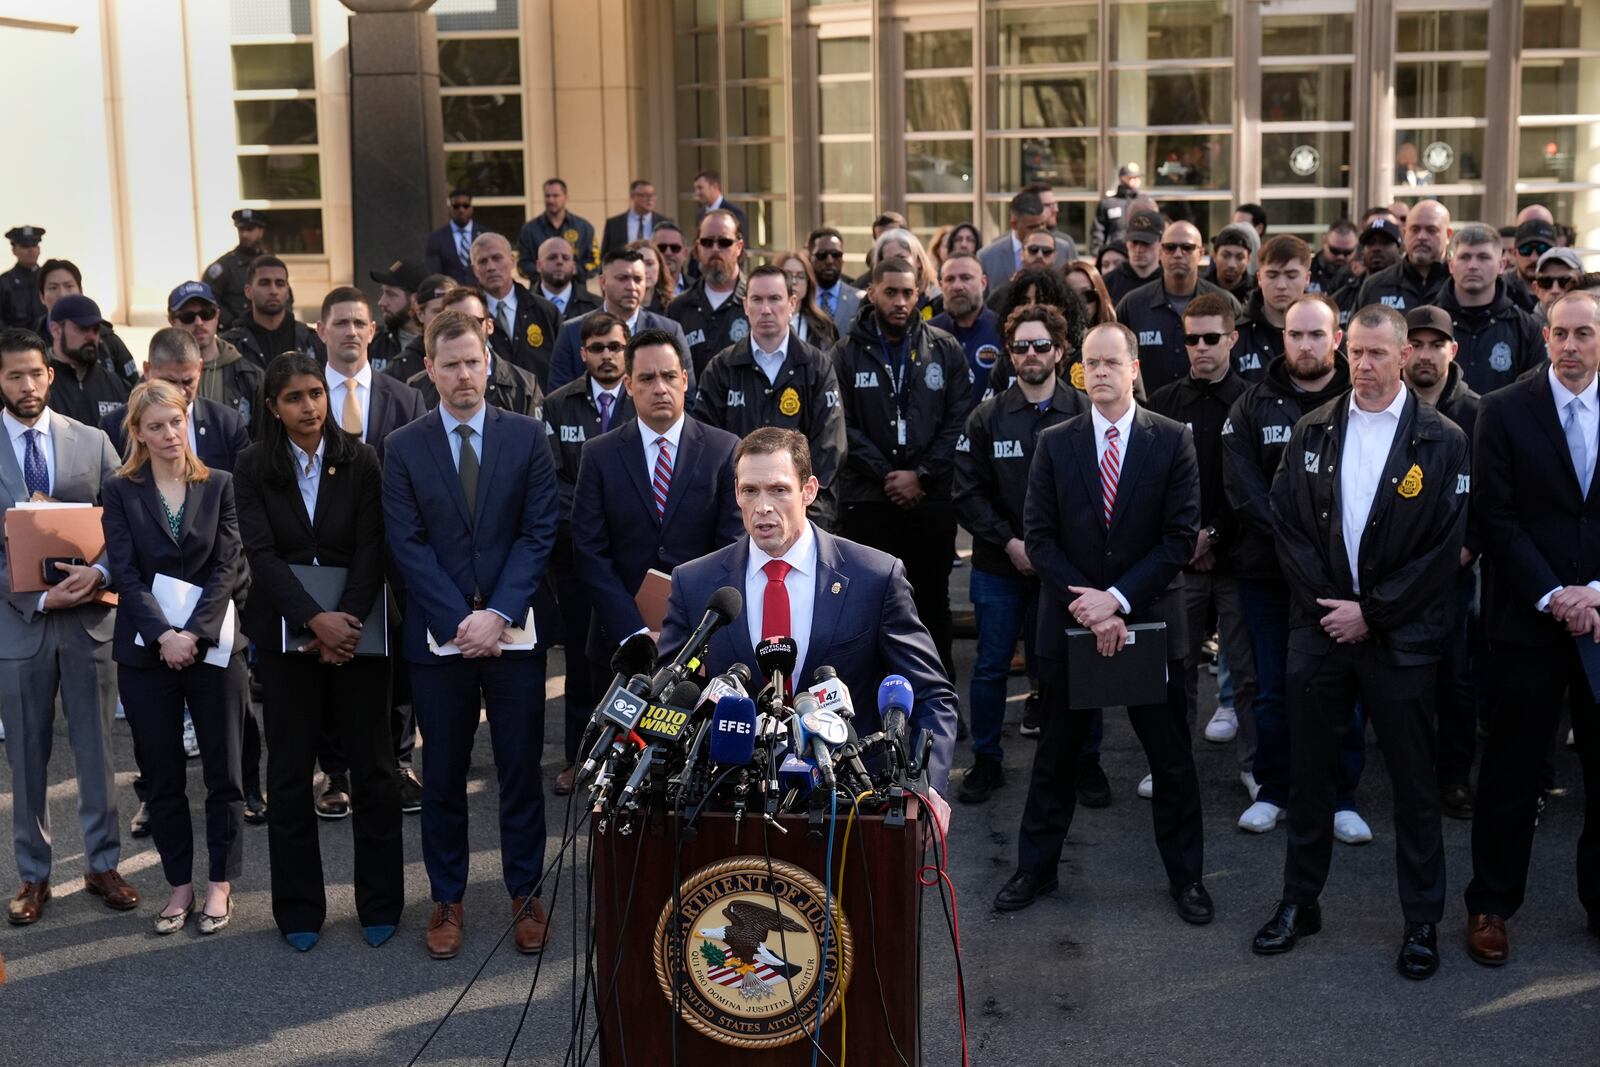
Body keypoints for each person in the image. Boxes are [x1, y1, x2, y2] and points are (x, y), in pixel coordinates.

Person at [1255, 303, 1469, 980]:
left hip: (1400, 640)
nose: (1365, 365)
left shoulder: (1443, 439)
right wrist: (1334, 609)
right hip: (1320, 633)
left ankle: (1422, 919)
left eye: (1379, 353)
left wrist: (1370, 614)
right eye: (1357, 353)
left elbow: (1442, 552)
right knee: (1309, 775)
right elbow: (1286, 526)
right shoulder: (1313, 428)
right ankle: (1300, 900)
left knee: (1412, 784)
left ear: (1406, 355)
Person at [996, 322, 1211, 923]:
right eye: (1090, 364)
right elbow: (1039, 539)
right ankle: (1035, 870)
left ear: (1135, 367)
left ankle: (1188, 879)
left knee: (1170, 760)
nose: (1100, 373)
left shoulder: (1172, 441)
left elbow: (1177, 541)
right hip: (1070, 623)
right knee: (1055, 758)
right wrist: (1090, 606)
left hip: (1148, 623)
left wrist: (1115, 600)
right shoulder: (1056, 442)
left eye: (1112, 362)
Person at [382, 308, 561, 960]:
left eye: (474, 361)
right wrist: (460, 620)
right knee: (444, 773)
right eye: (451, 363)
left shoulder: (527, 436)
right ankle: (447, 895)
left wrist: (499, 614)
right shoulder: (404, 446)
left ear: (489, 361)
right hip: (441, 641)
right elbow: (407, 543)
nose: (465, 375)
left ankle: (525, 889)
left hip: (512, 634)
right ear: (429, 368)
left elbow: (538, 531)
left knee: (520, 770)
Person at [658, 427, 959, 793]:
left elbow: (933, 696)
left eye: (779, 489)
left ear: (809, 491)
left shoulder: (875, 577)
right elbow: (669, 699)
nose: (763, 506)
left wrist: (926, 790)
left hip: (851, 801)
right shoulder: (695, 584)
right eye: (750, 490)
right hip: (728, 801)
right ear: (736, 493)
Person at [235, 352, 403, 951]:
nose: (309, 407)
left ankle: (381, 901)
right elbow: (261, 555)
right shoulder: (253, 465)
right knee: (287, 774)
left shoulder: (360, 458)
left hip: (361, 633)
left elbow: (371, 545)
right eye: (294, 398)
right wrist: (313, 620)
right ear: (273, 408)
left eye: (315, 394)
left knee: (375, 769)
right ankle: (299, 908)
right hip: (287, 635)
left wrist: (345, 624)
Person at [1464, 290, 1600, 967]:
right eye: (1560, 334)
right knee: (1513, 771)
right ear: (1544, 338)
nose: (1571, 345)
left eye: (1585, 333)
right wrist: (1555, 594)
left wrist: (1594, 594)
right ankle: (1490, 903)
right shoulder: (1505, 409)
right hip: (1527, 617)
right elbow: (1495, 515)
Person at [102, 379, 250, 936]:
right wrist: (165, 636)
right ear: (137, 432)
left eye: (177, 421)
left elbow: (229, 564)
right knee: (162, 775)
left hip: (213, 651)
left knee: (225, 773)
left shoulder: (220, 484)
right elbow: (125, 570)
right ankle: (179, 886)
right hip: (147, 654)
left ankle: (220, 885)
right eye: (156, 425)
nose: (170, 433)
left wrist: (195, 633)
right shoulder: (119, 491)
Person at [0, 328, 137, 927]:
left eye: (34, 373)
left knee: (96, 750)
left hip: (88, 621)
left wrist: (100, 572)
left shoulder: (92, 441)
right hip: (19, 624)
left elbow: (124, 521)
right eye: (13, 376)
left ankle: (103, 863)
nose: (27, 386)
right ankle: (33, 876)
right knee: (26, 757)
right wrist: (30, 596)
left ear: (49, 374)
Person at [1223, 294, 1372, 840]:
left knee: (1341, 688)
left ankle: (1342, 796)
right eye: (1295, 334)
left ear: (1337, 339)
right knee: (1269, 687)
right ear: (1281, 338)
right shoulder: (1251, 403)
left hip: (1340, 580)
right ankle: (1273, 789)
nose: (1305, 344)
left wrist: (1324, 552)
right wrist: (1299, 541)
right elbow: (1244, 490)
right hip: (1267, 575)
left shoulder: (1360, 401)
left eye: (1316, 334)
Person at [952, 305, 1087, 804]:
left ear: (1060, 350)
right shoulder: (985, 417)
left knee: (1073, 666)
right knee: (989, 666)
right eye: (1021, 346)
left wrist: (1052, 552)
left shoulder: (1084, 412)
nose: (1031, 355)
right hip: (999, 566)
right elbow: (967, 494)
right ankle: (987, 760)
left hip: (1068, 571)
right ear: (1008, 354)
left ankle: (1083, 762)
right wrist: (1011, 543)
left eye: (1041, 345)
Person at [833, 258, 972, 686]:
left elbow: (960, 418)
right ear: (871, 292)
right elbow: (842, 425)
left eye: (907, 293)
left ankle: (939, 697)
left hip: (929, 500)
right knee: (871, 604)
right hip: (869, 501)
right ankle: (874, 704)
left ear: (919, 294)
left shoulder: (944, 347)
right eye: (890, 292)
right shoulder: (844, 352)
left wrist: (922, 474)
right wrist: (887, 475)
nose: (899, 301)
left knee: (932, 603)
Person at [571, 327, 742, 664]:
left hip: (703, 640)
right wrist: (633, 630)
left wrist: (691, 628)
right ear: (628, 385)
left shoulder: (724, 450)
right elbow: (588, 550)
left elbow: (732, 549)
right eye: (647, 378)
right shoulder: (598, 454)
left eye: (667, 376)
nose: (660, 388)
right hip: (619, 642)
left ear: (684, 379)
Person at [1149, 292, 1258, 791]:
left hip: (1238, 559)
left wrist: (1213, 534)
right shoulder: (1164, 403)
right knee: (1175, 671)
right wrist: (1185, 538)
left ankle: (1257, 769)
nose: (1201, 348)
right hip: (1179, 561)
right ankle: (1171, 766)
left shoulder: (1255, 401)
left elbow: (1256, 486)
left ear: (1233, 338)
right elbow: (1150, 483)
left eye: (1212, 337)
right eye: (1191, 338)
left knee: (1248, 671)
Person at [540, 311, 635, 795]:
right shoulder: (558, 405)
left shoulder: (642, 399)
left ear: (627, 349)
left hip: (633, 556)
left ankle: (634, 754)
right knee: (580, 660)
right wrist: (591, 523)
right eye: (597, 348)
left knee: (635, 656)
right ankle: (580, 756)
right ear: (583, 353)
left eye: (615, 347)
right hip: (577, 554)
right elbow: (551, 479)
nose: (606, 356)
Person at [1401, 306, 1481, 821]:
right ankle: (1411, 775)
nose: (1426, 354)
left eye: (1437, 344)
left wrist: (1467, 548)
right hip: (1398, 574)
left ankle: (1453, 777)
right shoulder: (1388, 404)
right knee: (1404, 681)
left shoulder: (1477, 411)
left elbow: (1492, 491)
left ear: (1452, 350)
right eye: (1418, 344)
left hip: (1455, 571)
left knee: (1456, 679)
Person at [692, 265, 846, 528]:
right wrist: (738, 506)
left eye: (774, 299)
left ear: (792, 303)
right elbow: (707, 447)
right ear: (745, 305)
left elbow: (829, 449)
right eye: (757, 299)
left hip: (802, 516)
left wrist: (803, 511)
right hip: (737, 518)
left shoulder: (817, 366)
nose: (766, 309)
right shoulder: (721, 368)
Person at [1115, 220, 1241, 393]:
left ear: (1201, 253)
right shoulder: (1133, 304)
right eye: (1170, 247)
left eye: (1187, 248)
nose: (1178, 254)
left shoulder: (1226, 303)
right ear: (1160, 252)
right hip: (1149, 412)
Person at [546, 248, 690, 391]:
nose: (631, 287)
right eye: (623, 278)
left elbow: (685, 393)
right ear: (603, 282)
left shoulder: (670, 330)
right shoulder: (572, 331)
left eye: (638, 279)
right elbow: (559, 396)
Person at [1435, 223, 1544, 394]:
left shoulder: (1525, 328)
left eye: (1483, 257)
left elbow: (1534, 393)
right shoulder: (1429, 321)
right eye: (1464, 257)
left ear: (1502, 265)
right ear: (1451, 265)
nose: (1472, 265)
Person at [407, 288, 545, 419]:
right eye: (453, 323)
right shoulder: (417, 388)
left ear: (489, 325)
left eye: (473, 321)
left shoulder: (524, 385)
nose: (464, 329)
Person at [165, 281, 265, 430]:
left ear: (217, 315)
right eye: (188, 316)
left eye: (207, 314)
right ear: (172, 321)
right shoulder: (158, 376)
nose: (199, 322)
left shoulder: (250, 376)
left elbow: (262, 439)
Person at [470, 233, 561, 389]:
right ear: (474, 269)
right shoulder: (470, 317)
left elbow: (563, 364)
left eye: (497, 258)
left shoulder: (545, 310)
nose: (491, 267)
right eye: (482, 261)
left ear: (512, 261)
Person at [29, 259, 140, 387]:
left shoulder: (108, 340)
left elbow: (134, 389)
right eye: (53, 288)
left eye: (69, 286)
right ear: (42, 296)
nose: (62, 294)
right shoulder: (30, 343)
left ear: (81, 291)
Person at [670, 210, 750, 378]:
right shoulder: (678, 307)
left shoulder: (756, 302)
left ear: (739, 247)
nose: (715, 249)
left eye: (724, 242)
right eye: (707, 242)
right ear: (697, 248)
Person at [218, 256, 325, 371]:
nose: (273, 291)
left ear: (288, 291)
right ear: (248, 291)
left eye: (280, 284)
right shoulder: (229, 345)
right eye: (264, 283)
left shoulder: (311, 340)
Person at [1232, 235, 1313, 382]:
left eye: (1291, 276)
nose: (1281, 285)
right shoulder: (1235, 337)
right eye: (1272, 275)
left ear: (1307, 278)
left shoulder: (1328, 336)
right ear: (1259, 278)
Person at [42, 295, 131, 427]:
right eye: (82, 328)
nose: (91, 336)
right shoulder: (38, 383)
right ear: (56, 330)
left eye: (96, 330)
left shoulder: (115, 384)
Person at [930, 254, 1000, 411]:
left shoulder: (1003, 331)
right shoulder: (926, 334)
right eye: (949, 279)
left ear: (983, 283)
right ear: (941, 286)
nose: (957, 286)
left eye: (966, 278)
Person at [1357, 199, 1452, 312]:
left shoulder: (1459, 283)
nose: (1421, 237)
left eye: (1431, 230)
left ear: (1448, 235)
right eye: (1415, 229)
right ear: (1404, 233)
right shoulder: (1374, 286)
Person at [978, 191, 1074, 297]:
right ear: (1014, 224)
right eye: (1033, 227)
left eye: (1043, 224)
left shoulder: (1063, 249)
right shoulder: (988, 257)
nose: (1040, 230)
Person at [517, 177, 597, 282]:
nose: (550, 200)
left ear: (566, 197)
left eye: (555, 196)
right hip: (539, 294)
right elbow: (522, 265)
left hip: (576, 293)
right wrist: (547, 271)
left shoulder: (584, 228)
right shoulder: (529, 229)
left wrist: (570, 270)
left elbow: (595, 262)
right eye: (547, 196)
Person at [385, 273, 457, 386]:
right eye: (438, 312)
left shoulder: (478, 358)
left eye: (452, 312)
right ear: (420, 314)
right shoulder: (400, 369)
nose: (446, 318)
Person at [1332, 217, 1404, 326]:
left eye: (1385, 242)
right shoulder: (1342, 297)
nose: (1376, 248)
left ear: (1399, 248)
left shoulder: (1411, 289)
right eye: (1370, 243)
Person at [205, 208, 268, 329]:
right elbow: (208, 299)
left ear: (260, 231)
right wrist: (232, 323)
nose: (244, 234)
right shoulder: (224, 266)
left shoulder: (271, 264)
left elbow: (285, 298)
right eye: (241, 229)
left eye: (249, 229)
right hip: (235, 336)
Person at [367, 260, 427, 376]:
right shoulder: (373, 343)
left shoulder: (438, 346)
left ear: (415, 300)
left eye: (391, 294)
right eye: (383, 293)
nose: (381, 302)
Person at [773, 250, 837, 350]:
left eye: (800, 276)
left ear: (808, 283)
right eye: (787, 275)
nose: (794, 281)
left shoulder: (824, 325)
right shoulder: (762, 320)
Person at [601, 179, 672, 261]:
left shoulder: (665, 223)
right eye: (644, 195)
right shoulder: (613, 224)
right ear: (632, 196)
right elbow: (605, 256)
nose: (650, 199)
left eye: (652, 195)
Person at [1103, 210, 1164, 305]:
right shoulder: (1108, 282)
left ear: (1161, 243)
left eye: (1146, 243)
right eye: (1134, 242)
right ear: (1126, 243)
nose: (1139, 249)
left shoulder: (1169, 281)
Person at [807, 227, 863, 331]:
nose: (829, 261)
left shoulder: (859, 300)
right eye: (822, 255)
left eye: (836, 255)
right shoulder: (800, 299)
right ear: (810, 258)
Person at [422, 189, 481, 287]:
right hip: (451, 296)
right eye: (456, 206)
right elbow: (434, 274)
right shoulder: (436, 238)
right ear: (449, 209)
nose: (461, 210)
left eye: (465, 206)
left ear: (471, 208)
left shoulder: (485, 235)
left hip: (482, 294)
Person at [533, 237, 601, 321]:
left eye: (565, 258)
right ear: (538, 265)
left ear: (574, 267)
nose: (559, 262)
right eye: (552, 257)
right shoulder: (520, 304)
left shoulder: (597, 307)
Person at [1502, 218, 1559, 314]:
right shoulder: (1499, 291)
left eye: (1542, 249)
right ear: (1514, 253)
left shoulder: (1571, 287)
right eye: (1526, 249)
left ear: (1555, 252)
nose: (1534, 258)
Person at [1, 226, 45, 330]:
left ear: (39, 249)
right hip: (15, 343)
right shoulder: (4, 282)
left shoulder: (50, 279)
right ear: (14, 250)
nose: (30, 250)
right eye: (24, 246)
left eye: (34, 245)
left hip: (49, 342)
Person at [1092, 163, 1142, 253]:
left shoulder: (1144, 202)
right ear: (1122, 178)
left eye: (1137, 177)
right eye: (1131, 178)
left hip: (1139, 252)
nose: (1135, 180)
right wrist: (1097, 253)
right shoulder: (1108, 203)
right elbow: (1098, 231)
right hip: (1114, 252)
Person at [1206, 223, 1258, 304]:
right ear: (1214, 256)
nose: (1232, 264)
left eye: (1239, 257)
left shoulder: (1257, 292)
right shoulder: (1200, 288)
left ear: (1248, 259)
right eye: (1226, 256)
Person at [1532, 247, 1584, 324]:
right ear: (1536, 289)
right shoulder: (1522, 330)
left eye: (1566, 281)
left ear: (1582, 286)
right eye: (1546, 281)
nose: (1555, 290)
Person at [1308, 219, 1359, 295]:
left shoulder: (1362, 275)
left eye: (1347, 252)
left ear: (1356, 247)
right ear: (1324, 242)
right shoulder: (1307, 268)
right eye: (1335, 251)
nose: (1340, 257)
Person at [691, 169, 746, 235]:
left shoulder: (734, 212)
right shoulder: (700, 215)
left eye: (700, 188)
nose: (697, 193)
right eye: (695, 189)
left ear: (714, 186)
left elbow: (743, 242)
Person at [630, 238, 675, 315]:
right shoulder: (618, 307)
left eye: (649, 264)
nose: (645, 270)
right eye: (639, 263)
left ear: (659, 266)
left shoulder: (673, 306)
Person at [1065, 262, 1117, 328]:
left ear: (1099, 295)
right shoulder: (1050, 335)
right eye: (1070, 296)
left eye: (1087, 294)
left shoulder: (1116, 333)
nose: (1079, 303)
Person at [654, 222, 692, 300]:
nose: (668, 253)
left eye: (675, 248)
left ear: (685, 254)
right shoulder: (643, 289)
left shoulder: (698, 289)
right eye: (662, 248)